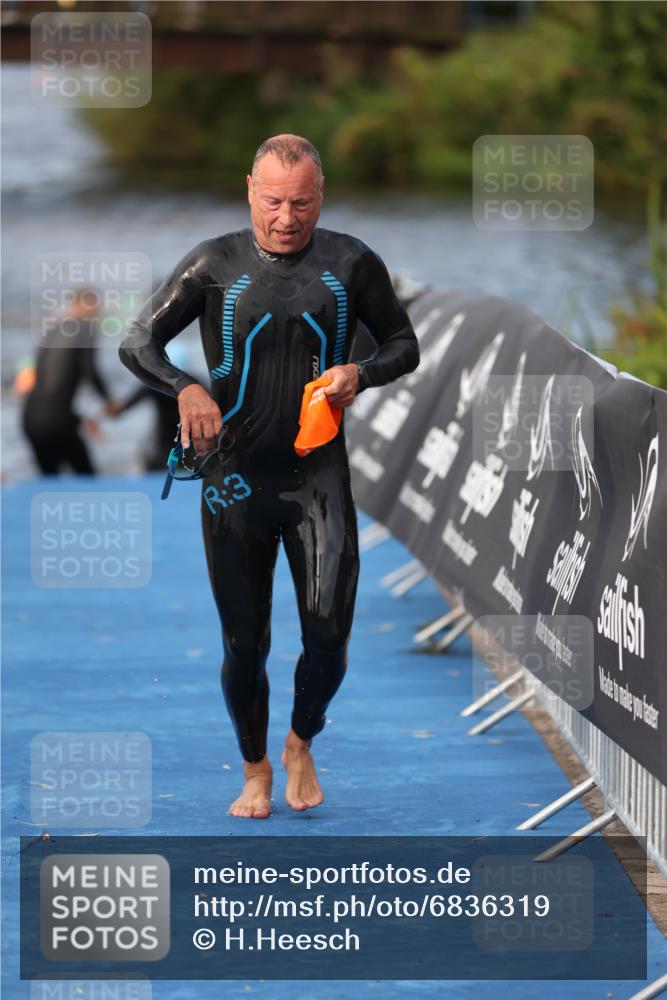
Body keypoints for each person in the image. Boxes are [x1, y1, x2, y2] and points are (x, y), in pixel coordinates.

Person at [119, 134, 419, 818]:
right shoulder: (213, 265)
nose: (287, 218)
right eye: (274, 202)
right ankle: (254, 769)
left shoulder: (350, 262)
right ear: (249, 190)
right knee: (243, 641)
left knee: (329, 635)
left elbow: (404, 344)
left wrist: (360, 373)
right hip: (232, 481)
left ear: (322, 196)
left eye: (302, 203)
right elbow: (137, 341)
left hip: (318, 478)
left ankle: (299, 741)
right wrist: (186, 389)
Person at [22, 288, 117, 475]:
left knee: (49, 480)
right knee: (86, 477)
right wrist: (108, 401)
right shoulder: (85, 329)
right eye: (92, 308)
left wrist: (77, 419)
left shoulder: (54, 329)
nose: (95, 313)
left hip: (30, 417)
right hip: (58, 420)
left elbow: (47, 385)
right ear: (76, 305)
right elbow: (90, 372)